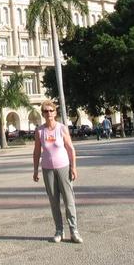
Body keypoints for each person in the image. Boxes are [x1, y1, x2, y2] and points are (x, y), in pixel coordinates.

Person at [33, 100, 83, 244]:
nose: (49, 113)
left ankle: (74, 231)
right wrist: (35, 169)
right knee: (54, 202)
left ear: (55, 112)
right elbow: (37, 152)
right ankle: (59, 231)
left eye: (51, 111)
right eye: (46, 111)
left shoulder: (62, 128)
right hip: (47, 169)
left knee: (69, 200)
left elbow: (70, 149)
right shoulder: (40, 131)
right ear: (42, 114)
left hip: (63, 168)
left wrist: (73, 167)